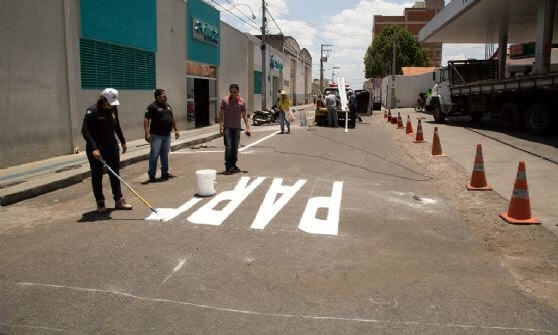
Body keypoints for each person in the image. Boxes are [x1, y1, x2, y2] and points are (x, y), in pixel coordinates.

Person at [81, 88, 133, 213]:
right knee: (97, 175)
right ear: (103, 99)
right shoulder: (92, 110)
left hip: (112, 146)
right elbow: (85, 131)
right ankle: (100, 202)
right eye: (109, 102)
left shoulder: (113, 108)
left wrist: (123, 141)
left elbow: (116, 125)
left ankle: (118, 200)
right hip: (97, 148)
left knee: (115, 173)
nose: (111, 105)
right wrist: (94, 148)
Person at [144, 88, 179, 182]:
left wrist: (176, 130)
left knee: (165, 155)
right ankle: (152, 175)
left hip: (167, 135)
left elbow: (171, 118)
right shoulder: (152, 106)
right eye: (164, 95)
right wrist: (146, 133)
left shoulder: (167, 106)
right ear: (158, 96)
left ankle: (165, 173)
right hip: (156, 135)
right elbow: (146, 119)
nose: (166, 97)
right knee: (154, 155)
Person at [219, 83, 251, 175]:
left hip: (237, 128)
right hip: (227, 128)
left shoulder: (242, 102)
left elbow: (244, 116)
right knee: (229, 147)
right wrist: (220, 127)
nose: (232, 93)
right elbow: (221, 114)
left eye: (234, 92)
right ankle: (228, 166)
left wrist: (248, 128)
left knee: (235, 148)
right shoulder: (225, 100)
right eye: (231, 91)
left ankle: (233, 165)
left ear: (238, 92)